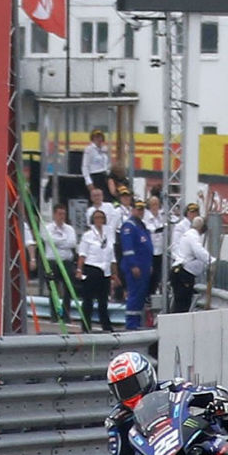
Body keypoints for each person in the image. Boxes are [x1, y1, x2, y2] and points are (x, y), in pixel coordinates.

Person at [76, 208, 116, 332]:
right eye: (97, 218)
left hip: (105, 271)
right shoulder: (88, 235)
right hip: (92, 268)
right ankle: (86, 326)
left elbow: (112, 254)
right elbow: (82, 254)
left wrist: (115, 273)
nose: (99, 220)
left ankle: (106, 326)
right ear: (93, 220)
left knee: (103, 301)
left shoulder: (108, 233)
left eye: (101, 218)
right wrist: (79, 269)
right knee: (88, 301)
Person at [116, 200, 154, 330]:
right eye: (138, 209)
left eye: (142, 209)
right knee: (134, 295)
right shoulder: (129, 226)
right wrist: (133, 265)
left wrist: (149, 265)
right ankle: (131, 324)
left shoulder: (141, 226)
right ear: (132, 210)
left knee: (140, 296)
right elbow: (128, 248)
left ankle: (137, 322)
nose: (140, 212)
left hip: (144, 267)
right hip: (135, 267)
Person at [38, 203, 77, 317]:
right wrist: (64, 240)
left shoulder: (69, 228)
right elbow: (49, 240)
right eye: (59, 214)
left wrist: (59, 241)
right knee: (53, 289)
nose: (62, 216)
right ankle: (54, 314)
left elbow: (72, 243)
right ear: (54, 214)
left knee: (68, 289)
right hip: (52, 262)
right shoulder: (47, 228)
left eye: (64, 214)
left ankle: (66, 314)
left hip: (66, 261)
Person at [169, 207, 211, 313]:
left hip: (183, 270)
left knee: (182, 302)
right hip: (183, 271)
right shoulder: (190, 233)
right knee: (182, 303)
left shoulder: (192, 234)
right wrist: (210, 260)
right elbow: (199, 251)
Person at [82, 129, 112, 199]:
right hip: (95, 176)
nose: (99, 139)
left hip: (104, 176)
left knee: (107, 198)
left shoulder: (104, 149)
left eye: (100, 137)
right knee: (97, 198)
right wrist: (89, 182)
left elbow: (108, 164)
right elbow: (85, 166)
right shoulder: (89, 149)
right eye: (96, 137)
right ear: (92, 138)